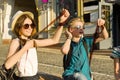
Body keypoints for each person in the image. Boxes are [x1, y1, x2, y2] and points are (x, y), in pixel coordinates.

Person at [4, 9, 70, 80]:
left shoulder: (32, 41)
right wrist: (25, 47)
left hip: (35, 76)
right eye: (26, 26)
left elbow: (54, 40)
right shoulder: (16, 41)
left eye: (32, 25)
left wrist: (61, 23)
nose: (30, 28)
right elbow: (7, 65)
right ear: (18, 27)